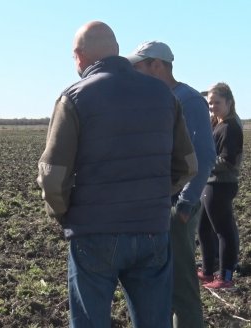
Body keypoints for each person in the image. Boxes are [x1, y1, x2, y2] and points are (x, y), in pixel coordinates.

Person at [37, 21, 197, 328]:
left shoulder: (73, 97)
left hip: (94, 232)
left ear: (79, 56)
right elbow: (188, 165)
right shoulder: (164, 96)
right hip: (152, 230)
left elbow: (53, 176)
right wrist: (157, 197)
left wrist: (65, 214)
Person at [126, 41, 216, 328]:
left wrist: (186, 205)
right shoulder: (151, 99)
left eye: (139, 66)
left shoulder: (188, 100)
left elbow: (203, 155)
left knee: (180, 284)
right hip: (154, 206)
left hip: (177, 206)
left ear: (157, 65)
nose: (135, 73)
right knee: (155, 283)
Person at [197, 82, 243, 289]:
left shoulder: (230, 127)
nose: (213, 106)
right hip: (211, 183)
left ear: (229, 102)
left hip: (221, 185)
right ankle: (208, 272)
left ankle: (226, 277)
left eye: (217, 102)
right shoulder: (218, 123)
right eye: (210, 103)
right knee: (203, 228)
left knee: (223, 231)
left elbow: (228, 161)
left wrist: (203, 163)